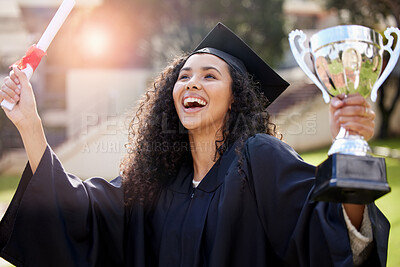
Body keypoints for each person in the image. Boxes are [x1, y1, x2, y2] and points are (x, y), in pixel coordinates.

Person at [0, 22, 389, 267]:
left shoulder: (259, 158)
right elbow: (79, 211)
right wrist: (30, 123)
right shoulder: (156, 181)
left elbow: (328, 234)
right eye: (183, 76)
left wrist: (349, 149)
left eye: (209, 76)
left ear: (235, 97)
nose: (191, 84)